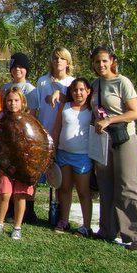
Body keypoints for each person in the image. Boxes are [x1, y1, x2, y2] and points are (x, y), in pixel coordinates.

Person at [90, 46, 137, 251]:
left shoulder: (122, 82)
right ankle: (107, 229)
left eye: (104, 61)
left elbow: (135, 113)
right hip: (103, 141)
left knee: (127, 186)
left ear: (112, 61)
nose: (101, 65)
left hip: (124, 139)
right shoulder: (95, 84)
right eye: (97, 62)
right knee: (105, 185)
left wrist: (110, 120)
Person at [31, 47, 76, 223]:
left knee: (60, 177)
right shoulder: (42, 81)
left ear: (68, 62)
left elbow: (76, 104)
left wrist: (60, 94)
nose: (58, 61)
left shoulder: (71, 82)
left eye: (62, 58)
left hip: (64, 135)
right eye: (55, 58)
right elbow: (36, 107)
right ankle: (28, 209)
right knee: (35, 174)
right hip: (43, 133)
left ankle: (58, 213)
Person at [51, 78, 93, 237]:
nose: (78, 93)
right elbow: (56, 129)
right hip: (63, 154)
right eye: (75, 90)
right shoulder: (65, 107)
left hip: (83, 156)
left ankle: (86, 226)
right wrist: (53, 149)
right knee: (64, 189)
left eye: (82, 89)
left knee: (83, 192)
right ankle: (64, 220)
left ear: (88, 91)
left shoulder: (92, 109)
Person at [0, 87, 33, 240]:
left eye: (16, 100)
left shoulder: (29, 119)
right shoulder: (1, 118)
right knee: (5, 194)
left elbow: (34, 142)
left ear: (22, 102)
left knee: (20, 195)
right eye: (9, 100)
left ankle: (17, 226)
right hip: (6, 164)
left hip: (24, 165)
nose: (12, 103)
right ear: (5, 102)